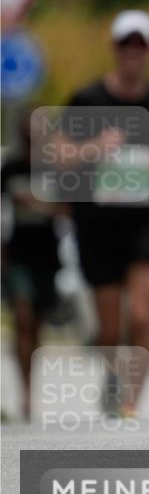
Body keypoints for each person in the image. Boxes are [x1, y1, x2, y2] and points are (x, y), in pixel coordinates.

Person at [62, 10, 149, 415]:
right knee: (109, 328)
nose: (132, 53)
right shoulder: (87, 100)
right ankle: (114, 375)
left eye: (140, 45)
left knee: (140, 315)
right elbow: (59, 154)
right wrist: (94, 148)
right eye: (126, 44)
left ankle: (130, 403)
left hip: (145, 220)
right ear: (115, 49)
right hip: (97, 222)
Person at [1, 110, 68, 419]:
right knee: (23, 317)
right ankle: (25, 392)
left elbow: (68, 210)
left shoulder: (56, 168)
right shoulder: (10, 168)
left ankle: (32, 385)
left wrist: (36, 204)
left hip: (47, 254)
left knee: (37, 323)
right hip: (17, 254)